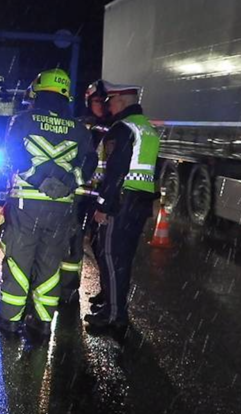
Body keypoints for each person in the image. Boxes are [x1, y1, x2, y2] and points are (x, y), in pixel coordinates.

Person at [0, 68, 96, 339]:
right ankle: (42, 322)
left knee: (19, 261)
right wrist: (69, 183)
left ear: (37, 91)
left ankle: (10, 320)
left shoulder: (23, 120)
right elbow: (89, 163)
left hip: (27, 203)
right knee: (50, 264)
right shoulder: (78, 128)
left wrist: (40, 180)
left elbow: (14, 155)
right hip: (62, 207)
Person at [85, 81, 160, 336]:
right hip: (140, 202)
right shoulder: (147, 127)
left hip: (121, 201)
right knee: (123, 258)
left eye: (112, 100)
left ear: (122, 101)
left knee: (109, 255)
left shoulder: (122, 128)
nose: (108, 105)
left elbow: (116, 171)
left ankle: (115, 314)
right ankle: (114, 307)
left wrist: (103, 205)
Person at [61, 80, 112, 305]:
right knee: (73, 240)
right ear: (88, 102)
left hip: (100, 194)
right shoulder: (79, 126)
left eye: (103, 101)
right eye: (96, 101)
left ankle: (108, 293)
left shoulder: (115, 127)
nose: (100, 105)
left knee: (102, 247)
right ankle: (70, 288)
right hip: (79, 193)